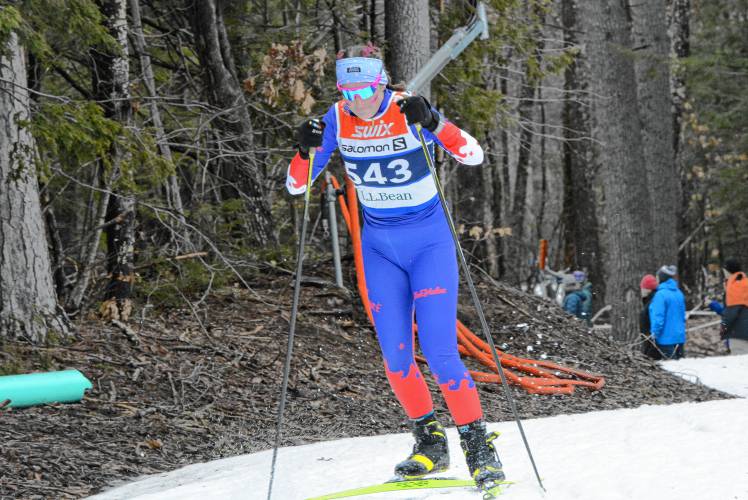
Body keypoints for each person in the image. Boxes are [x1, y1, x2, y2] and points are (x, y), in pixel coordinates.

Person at [285, 44, 504, 488]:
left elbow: (474, 155)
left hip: (429, 245)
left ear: (381, 81)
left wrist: (436, 122)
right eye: (347, 90)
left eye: (364, 88)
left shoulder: (408, 108)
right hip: (381, 250)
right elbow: (296, 186)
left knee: (442, 356)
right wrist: (305, 151)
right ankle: (429, 443)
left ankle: (479, 448)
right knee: (397, 360)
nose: (357, 100)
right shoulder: (338, 117)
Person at [707, 258, 748, 354]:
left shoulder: (735, 287)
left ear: (727, 271)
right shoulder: (745, 283)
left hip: (739, 334)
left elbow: (730, 314)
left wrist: (723, 331)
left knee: (740, 365)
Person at [649, 265, 686, 359]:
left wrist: (654, 333)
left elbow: (658, 317)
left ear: (661, 278)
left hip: (665, 339)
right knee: (682, 368)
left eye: (657, 277)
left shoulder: (660, 295)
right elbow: (682, 316)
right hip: (679, 338)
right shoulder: (678, 293)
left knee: (671, 369)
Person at [639, 274, 660, 359]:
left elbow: (655, 320)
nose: (641, 290)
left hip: (651, 341)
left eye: (642, 288)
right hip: (648, 339)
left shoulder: (653, 301)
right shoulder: (649, 300)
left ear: (648, 289)